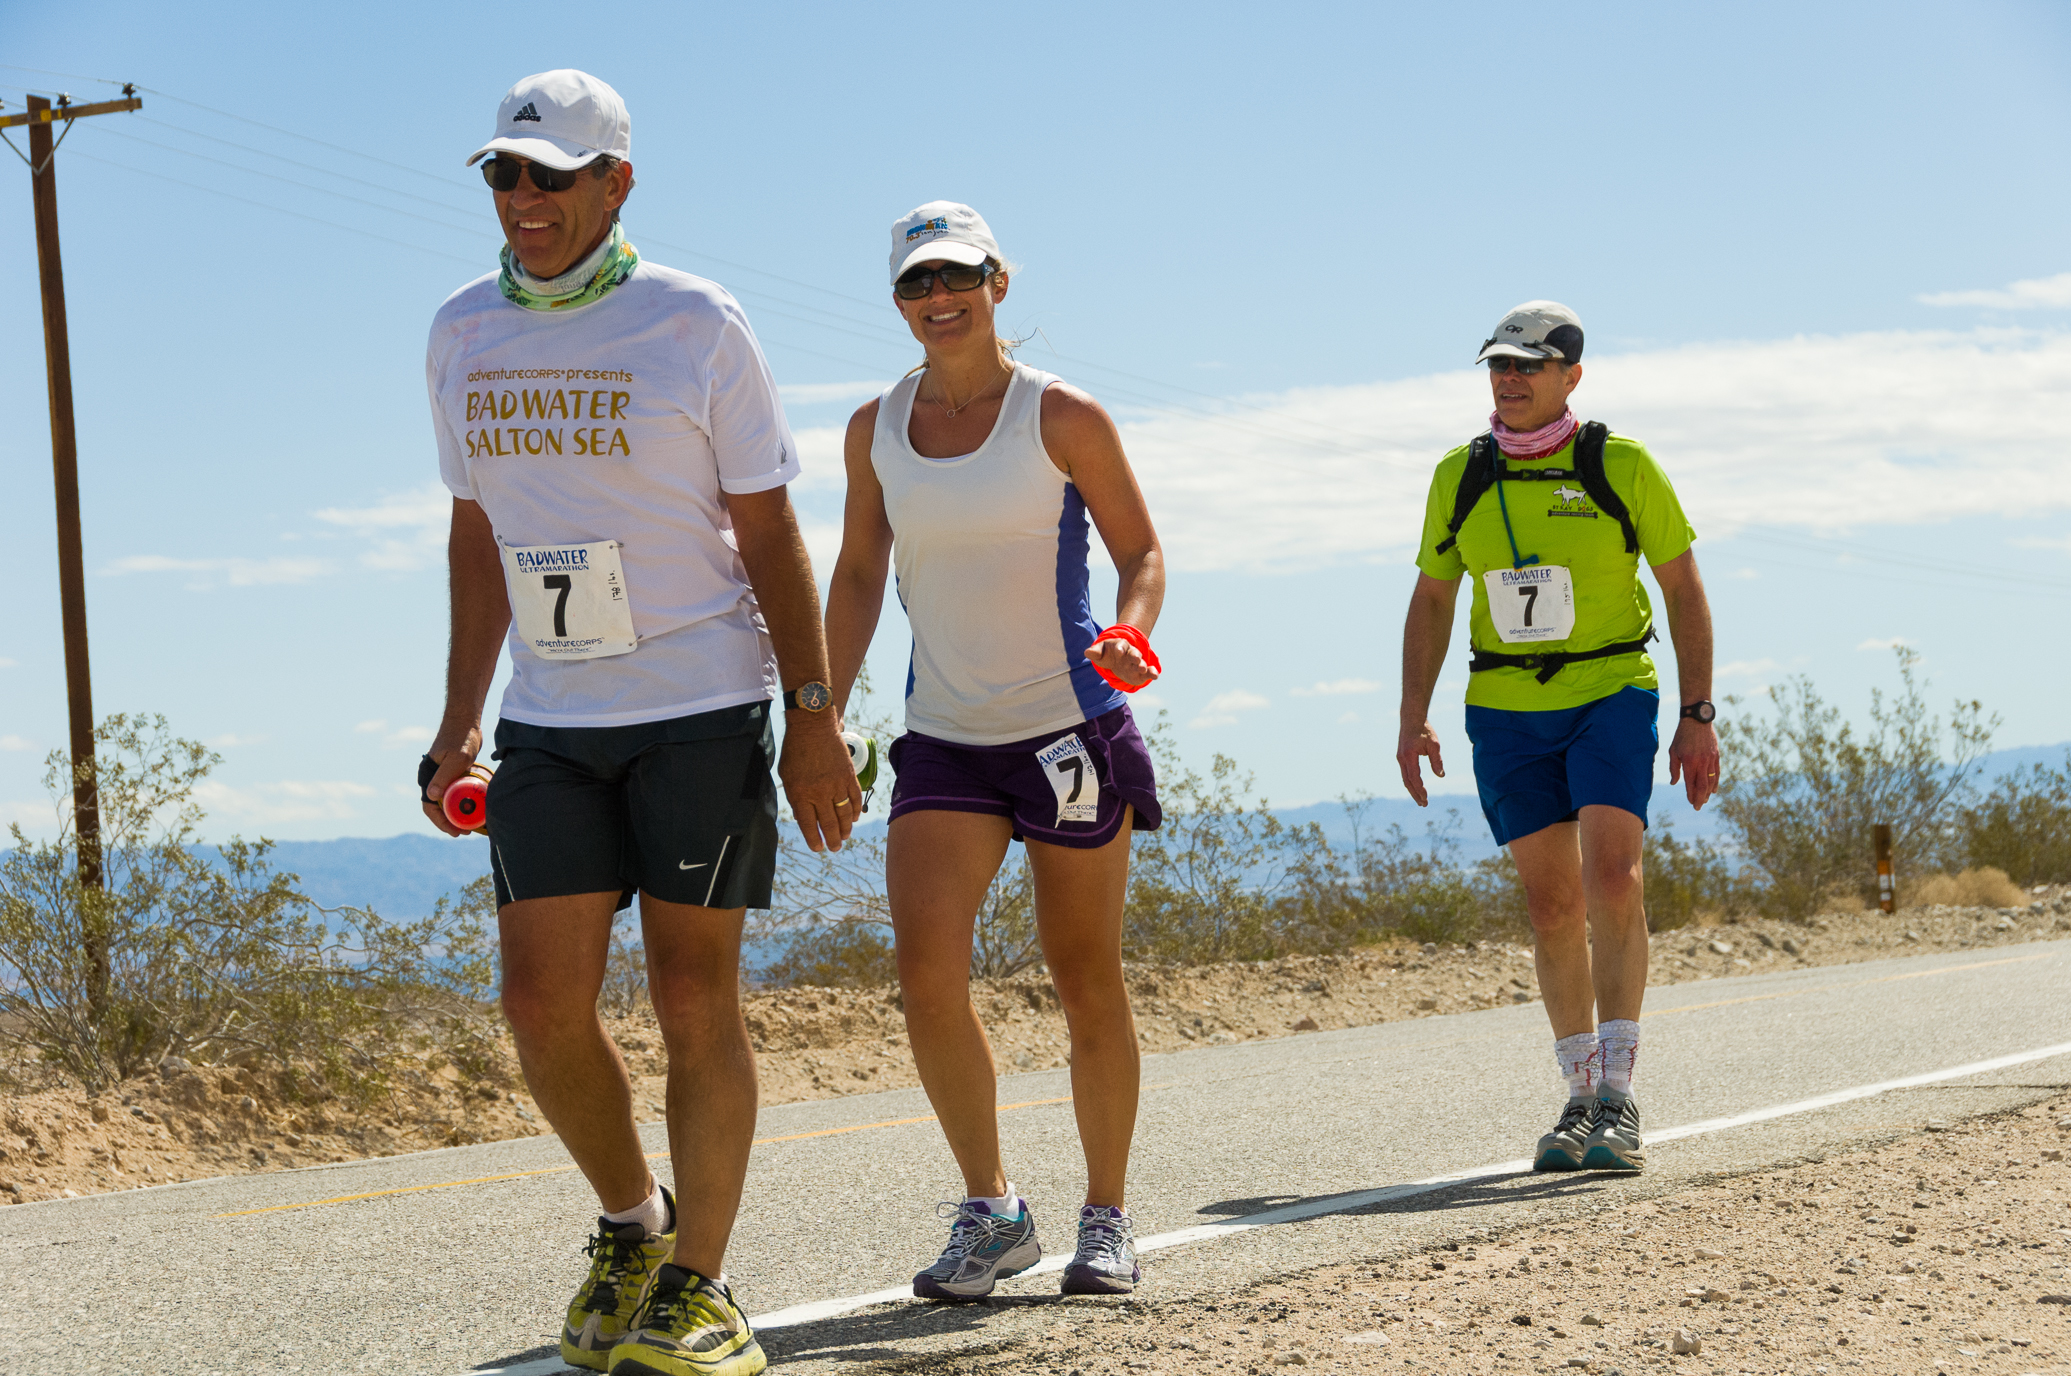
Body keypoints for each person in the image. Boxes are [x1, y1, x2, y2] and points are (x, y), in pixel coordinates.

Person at [420, 70, 858, 1376]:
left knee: (688, 996)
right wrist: (457, 725)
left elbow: (771, 526)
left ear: (615, 183)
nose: (523, 200)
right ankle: (631, 1222)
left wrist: (815, 713)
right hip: (550, 718)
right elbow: (474, 532)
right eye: (504, 174)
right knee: (538, 1005)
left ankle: (701, 1287)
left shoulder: (694, 322)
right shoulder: (457, 331)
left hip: (698, 703)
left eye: (550, 176)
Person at [823, 201, 1166, 1299]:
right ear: (898, 300)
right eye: (916, 284)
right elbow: (860, 574)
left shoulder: (1059, 414)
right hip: (946, 740)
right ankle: (993, 1208)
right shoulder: (873, 426)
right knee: (926, 973)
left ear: (996, 283)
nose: (937, 299)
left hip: (1067, 726)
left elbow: (1141, 549)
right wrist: (819, 709)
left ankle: (1105, 1213)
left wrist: (1132, 631)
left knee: (1083, 977)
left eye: (956, 278)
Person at [1395, 301, 1719, 1175]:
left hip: (1611, 686)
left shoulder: (1619, 464)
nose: (1508, 380)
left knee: (1610, 875)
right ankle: (1578, 1098)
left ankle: (1618, 1093)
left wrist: (1696, 714)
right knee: (1549, 906)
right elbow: (1432, 598)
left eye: (1527, 366)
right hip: (1503, 706)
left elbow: (1683, 586)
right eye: (1498, 366)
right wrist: (1410, 714)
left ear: (1570, 375)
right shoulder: (1458, 476)